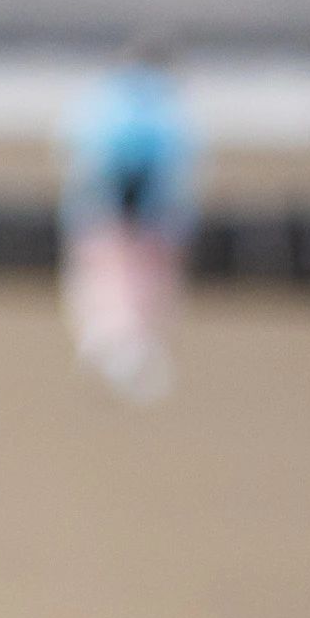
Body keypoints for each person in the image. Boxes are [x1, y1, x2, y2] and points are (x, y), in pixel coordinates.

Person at [60, 38, 194, 407]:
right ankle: (117, 342)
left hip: (116, 203)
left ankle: (112, 339)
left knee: (112, 270)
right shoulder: (163, 102)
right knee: (128, 272)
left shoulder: (104, 98)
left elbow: (82, 153)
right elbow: (176, 160)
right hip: (129, 202)